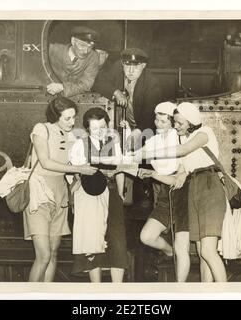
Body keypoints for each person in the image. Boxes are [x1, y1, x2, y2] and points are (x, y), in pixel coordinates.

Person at [136, 102, 228, 282]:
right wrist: (153, 173)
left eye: (179, 123)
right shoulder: (185, 141)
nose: (175, 126)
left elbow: (183, 150)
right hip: (194, 190)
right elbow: (178, 178)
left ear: (191, 122)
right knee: (202, 252)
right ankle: (206, 293)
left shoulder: (204, 133)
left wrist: (148, 153)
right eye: (175, 122)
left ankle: (223, 293)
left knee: (208, 251)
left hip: (209, 186)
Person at [23, 96, 98, 282]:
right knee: (44, 255)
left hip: (60, 193)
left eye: (74, 118)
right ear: (55, 116)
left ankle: (47, 293)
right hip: (39, 192)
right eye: (67, 118)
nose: (72, 122)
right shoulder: (42, 129)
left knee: (54, 252)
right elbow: (46, 162)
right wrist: (80, 169)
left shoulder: (73, 135)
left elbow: (77, 161)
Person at [69, 107, 129, 282]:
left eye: (103, 127)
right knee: (93, 239)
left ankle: (116, 289)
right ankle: (97, 289)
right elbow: (76, 172)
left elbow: (120, 170)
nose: (100, 131)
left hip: (112, 194)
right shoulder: (81, 144)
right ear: (87, 129)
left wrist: (120, 192)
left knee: (117, 238)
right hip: (92, 195)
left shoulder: (113, 142)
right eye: (95, 128)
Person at [136, 102, 191, 282]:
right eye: (156, 120)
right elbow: (136, 155)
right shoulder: (153, 140)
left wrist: (183, 171)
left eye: (163, 121)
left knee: (182, 246)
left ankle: (179, 289)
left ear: (172, 122)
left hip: (184, 194)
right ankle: (169, 251)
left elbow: (184, 169)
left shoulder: (180, 137)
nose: (158, 124)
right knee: (146, 236)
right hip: (164, 192)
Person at [93, 47, 164, 150]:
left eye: (135, 67)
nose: (130, 71)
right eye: (127, 66)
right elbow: (98, 82)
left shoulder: (152, 84)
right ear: (122, 64)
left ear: (143, 66)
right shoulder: (118, 67)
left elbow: (149, 117)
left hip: (145, 128)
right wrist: (116, 92)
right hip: (123, 125)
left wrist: (137, 132)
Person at [46, 26, 101, 98]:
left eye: (90, 47)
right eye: (82, 45)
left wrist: (63, 87)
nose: (85, 51)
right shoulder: (53, 50)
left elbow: (86, 84)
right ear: (73, 41)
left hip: (74, 97)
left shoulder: (93, 57)